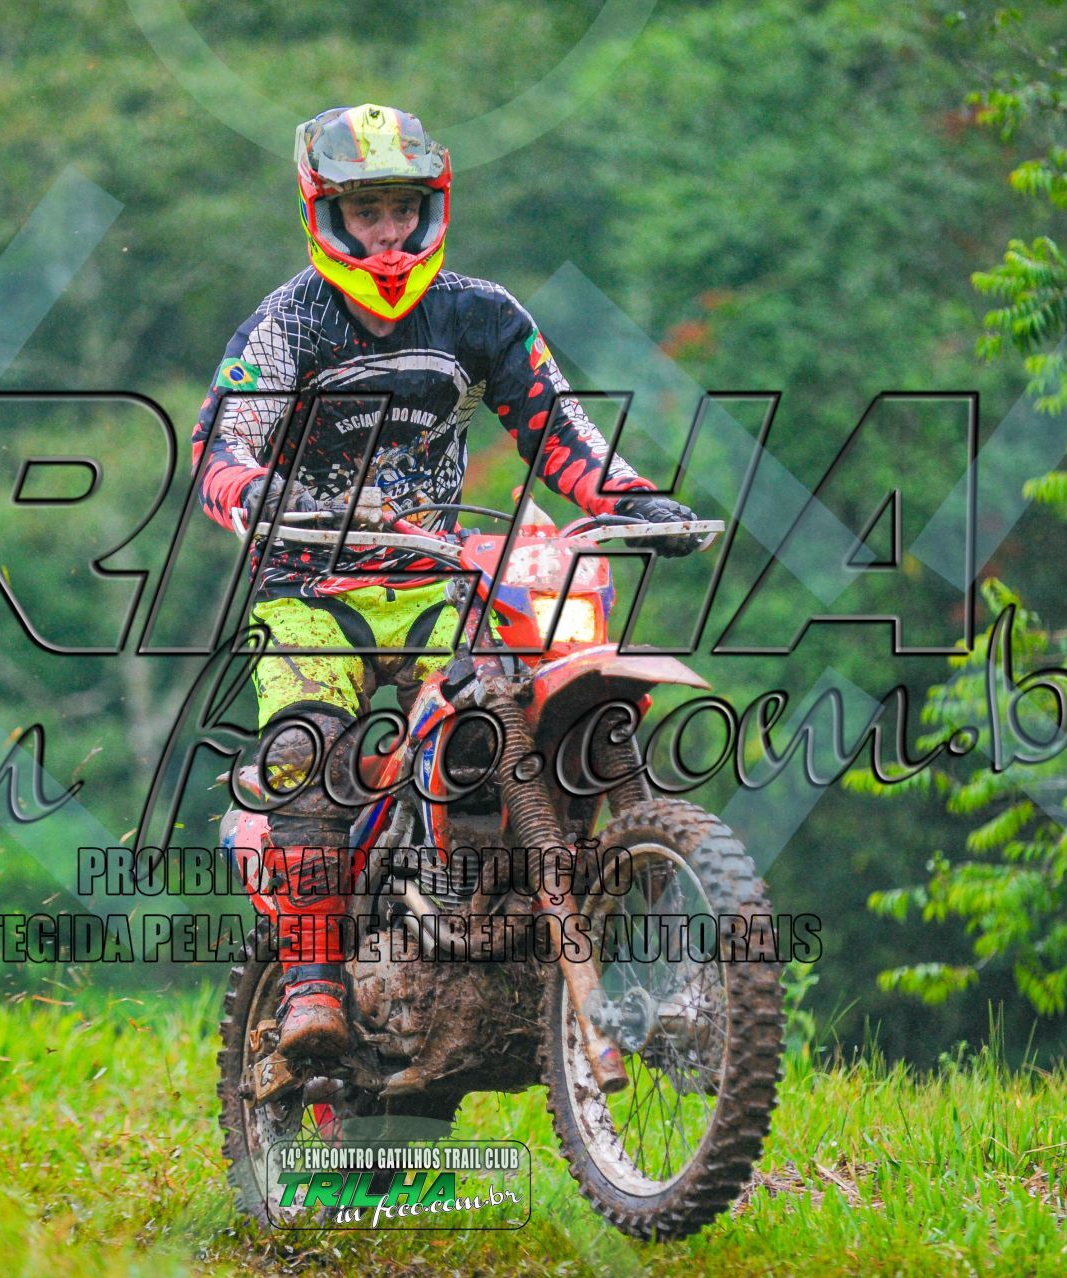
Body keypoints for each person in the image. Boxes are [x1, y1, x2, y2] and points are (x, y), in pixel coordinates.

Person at [195, 103, 706, 1057]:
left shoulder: (482, 314)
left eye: (402, 208)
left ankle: (576, 929)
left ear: (432, 208)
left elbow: (559, 429)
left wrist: (635, 499)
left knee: (524, 720)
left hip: (442, 580)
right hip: (311, 587)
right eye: (366, 212)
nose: (388, 233)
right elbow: (222, 446)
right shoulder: (285, 325)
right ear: (325, 215)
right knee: (308, 753)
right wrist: (257, 492)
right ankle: (312, 985)